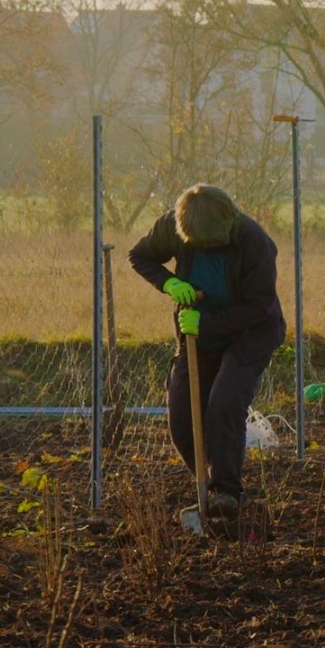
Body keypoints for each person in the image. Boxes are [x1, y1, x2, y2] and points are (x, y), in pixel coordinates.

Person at [128, 184, 286, 537]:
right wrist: (168, 284)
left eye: (214, 243)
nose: (209, 248)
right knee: (182, 411)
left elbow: (260, 306)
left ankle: (227, 492)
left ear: (228, 223)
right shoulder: (175, 224)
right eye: (201, 245)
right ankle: (209, 486)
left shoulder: (254, 241)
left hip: (251, 333)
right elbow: (141, 256)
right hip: (199, 335)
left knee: (225, 401)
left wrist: (207, 321)